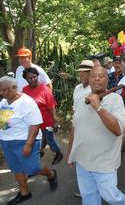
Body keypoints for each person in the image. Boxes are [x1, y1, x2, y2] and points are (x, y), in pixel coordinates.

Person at [67, 66, 125, 205]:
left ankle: (123, 202)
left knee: (111, 196)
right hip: (82, 160)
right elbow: (75, 127)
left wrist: (98, 107)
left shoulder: (115, 99)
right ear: (89, 79)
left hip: (104, 162)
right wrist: (70, 153)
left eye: (101, 76)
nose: (97, 79)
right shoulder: (81, 99)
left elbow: (117, 130)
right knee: (88, 197)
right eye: (93, 76)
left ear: (107, 80)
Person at [0, 76, 57, 205]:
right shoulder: (4, 101)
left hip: (24, 141)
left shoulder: (26, 102)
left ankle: (51, 174)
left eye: (4, 90)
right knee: (16, 168)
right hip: (7, 142)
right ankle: (24, 193)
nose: (1, 93)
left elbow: (35, 124)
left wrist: (28, 144)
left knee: (32, 169)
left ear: (14, 88)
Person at [22, 67, 63, 165]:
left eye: (34, 77)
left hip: (46, 120)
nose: (32, 80)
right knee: (35, 137)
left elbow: (51, 106)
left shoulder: (45, 89)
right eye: (29, 78)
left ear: (37, 76)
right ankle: (40, 151)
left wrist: (55, 120)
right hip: (32, 121)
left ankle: (58, 152)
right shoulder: (25, 90)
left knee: (49, 137)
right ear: (26, 79)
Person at [70, 59, 94, 198]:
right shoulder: (78, 88)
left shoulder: (96, 88)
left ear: (91, 73)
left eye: (84, 73)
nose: (81, 75)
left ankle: (95, 186)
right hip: (77, 126)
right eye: (80, 73)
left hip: (91, 128)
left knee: (91, 156)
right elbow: (75, 107)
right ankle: (85, 188)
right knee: (80, 156)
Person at [108, 56, 125, 151]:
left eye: (119, 62)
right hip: (113, 105)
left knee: (124, 124)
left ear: (123, 64)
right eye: (115, 63)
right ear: (113, 64)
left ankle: (118, 148)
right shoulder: (109, 76)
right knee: (118, 124)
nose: (117, 65)